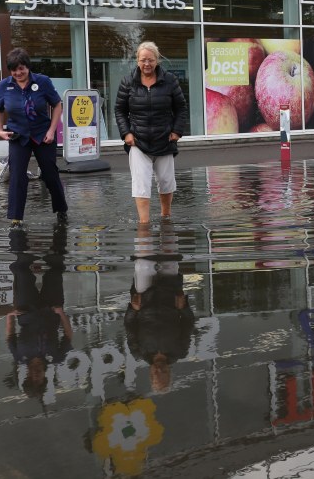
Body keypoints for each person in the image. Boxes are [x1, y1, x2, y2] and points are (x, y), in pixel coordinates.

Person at [114, 42, 188, 224]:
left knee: (166, 181)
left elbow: (181, 108)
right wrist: (126, 134)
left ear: (157, 60)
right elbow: (119, 110)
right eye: (143, 60)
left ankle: (166, 215)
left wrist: (177, 131)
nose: (147, 64)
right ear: (137, 61)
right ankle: (144, 224)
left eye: (151, 60)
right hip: (138, 141)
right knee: (140, 184)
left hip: (165, 139)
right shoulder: (128, 81)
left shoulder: (169, 80)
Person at [0, 47, 68, 227]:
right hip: (18, 136)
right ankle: (16, 218)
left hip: (43, 136)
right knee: (17, 176)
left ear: (27, 67)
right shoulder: (5, 85)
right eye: (14, 69)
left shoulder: (43, 82)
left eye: (21, 68)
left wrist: (52, 131)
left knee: (50, 174)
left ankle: (61, 210)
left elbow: (57, 105)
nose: (18, 73)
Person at [124, 224, 194, 393]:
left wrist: (133, 309)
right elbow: (188, 324)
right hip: (169, 297)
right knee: (170, 256)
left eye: (156, 374)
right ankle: (167, 222)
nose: (159, 370)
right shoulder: (180, 351)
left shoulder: (138, 352)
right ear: (170, 372)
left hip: (144, 299)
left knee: (142, 263)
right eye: (163, 373)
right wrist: (183, 307)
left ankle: (143, 224)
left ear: (150, 374)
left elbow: (129, 326)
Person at [5, 227, 72, 397]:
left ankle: (17, 230)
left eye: (31, 379)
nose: (36, 376)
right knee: (56, 268)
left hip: (26, 310)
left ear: (26, 377)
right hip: (51, 309)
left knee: (21, 270)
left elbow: (10, 337)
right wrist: (61, 313)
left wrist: (10, 317)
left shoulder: (19, 356)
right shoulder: (56, 357)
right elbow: (69, 336)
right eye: (39, 380)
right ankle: (60, 229)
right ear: (44, 378)